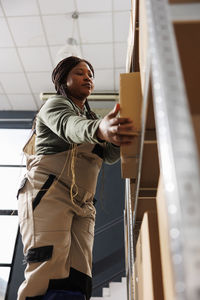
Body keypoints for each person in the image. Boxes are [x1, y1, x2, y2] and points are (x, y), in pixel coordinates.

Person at [17, 56, 135, 300]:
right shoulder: (54, 106)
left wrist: (122, 132)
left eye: (90, 74)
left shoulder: (90, 119)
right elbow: (71, 127)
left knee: (79, 276)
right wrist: (101, 129)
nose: (88, 77)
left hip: (83, 203)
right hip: (49, 192)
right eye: (80, 73)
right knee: (48, 267)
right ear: (64, 79)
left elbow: (110, 154)